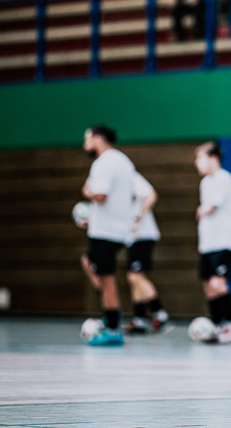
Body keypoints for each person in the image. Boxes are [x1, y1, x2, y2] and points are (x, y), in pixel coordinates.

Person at [79, 125, 135, 346]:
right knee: (95, 266)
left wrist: (87, 192)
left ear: (98, 138)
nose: (85, 143)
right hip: (118, 228)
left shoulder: (103, 163)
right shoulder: (123, 161)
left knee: (106, 277)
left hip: (105, 231)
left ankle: (112, 327)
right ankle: (111, 316)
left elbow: (100, 195)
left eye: (87, 138)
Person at [194, 142, 231, 344]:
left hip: (223, 242)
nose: (197, 163)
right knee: (208, 286)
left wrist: (201, 210)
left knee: (218, 283)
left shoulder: (224, 178)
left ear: (213, 159)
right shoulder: (205, 183)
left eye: (200, 158)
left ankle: (230, 326)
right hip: (207, 244)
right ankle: (216, 325)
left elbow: (210, 207)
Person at [122, 172, 170, 334]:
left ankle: (159, 312)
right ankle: (140, 318)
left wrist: (137, 217)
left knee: (135, 276)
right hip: (132, 238)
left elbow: (151, 195)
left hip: (143, 235)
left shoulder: (130, 177)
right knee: (133, 277)